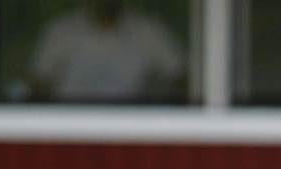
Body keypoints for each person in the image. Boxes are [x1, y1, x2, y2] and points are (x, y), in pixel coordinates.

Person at [28, 1, 186, 103]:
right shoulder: (60, 31)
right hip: (67, 129)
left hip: (136, 129)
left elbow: (181, 81)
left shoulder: (149, 31)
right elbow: (38, 85)